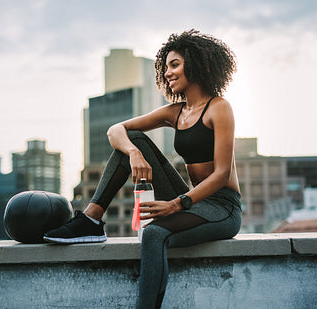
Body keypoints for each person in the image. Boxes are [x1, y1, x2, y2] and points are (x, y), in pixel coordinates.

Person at [44, 29, 242, 308]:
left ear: (197, 64)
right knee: (131, 138)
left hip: (222, 207)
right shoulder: (176, 112)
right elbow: (116, 130)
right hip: (191, 200)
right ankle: (92, 219)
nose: (168, 72)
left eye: (175, 64)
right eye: (166, 66)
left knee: (154, 233)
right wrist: (134, 152)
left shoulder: (219, 108)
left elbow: (222, 174)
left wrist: (177, 204)